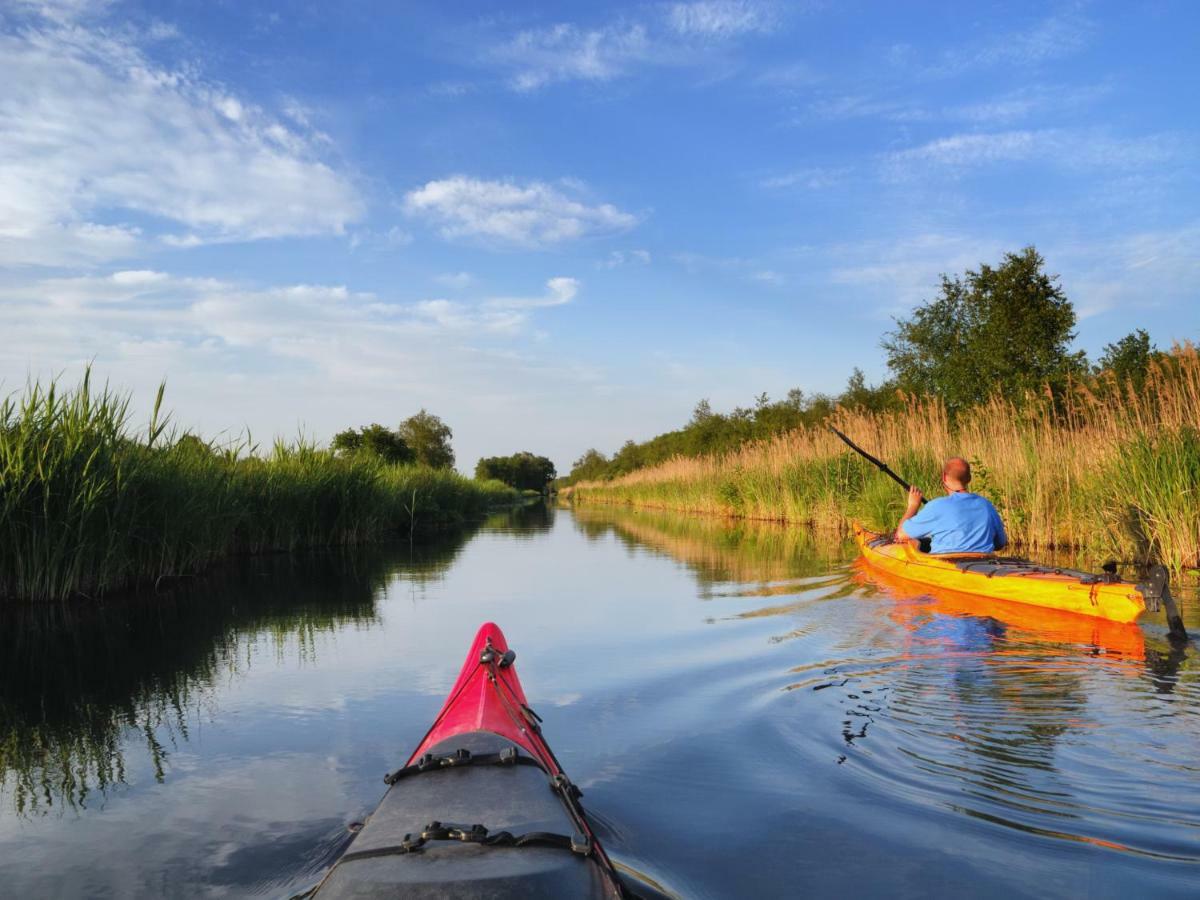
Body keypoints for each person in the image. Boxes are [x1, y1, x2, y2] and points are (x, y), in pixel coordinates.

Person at [895, 457, 1007, 554]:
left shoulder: (936, 506)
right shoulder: (987, 505)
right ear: (969, 479)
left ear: (944, 477)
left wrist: (913, 505)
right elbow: (1000, 543)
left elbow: (900, 535)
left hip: (946, 569)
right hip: (984, 565)